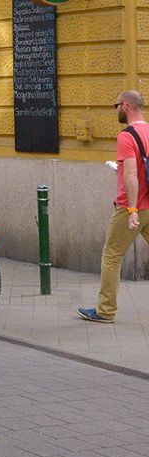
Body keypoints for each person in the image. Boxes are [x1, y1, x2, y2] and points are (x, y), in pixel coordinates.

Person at [81, 90, 149, 322]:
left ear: (127, 106)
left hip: (132, 207)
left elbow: (131, 175)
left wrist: (131, 210)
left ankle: (105, 310)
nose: (116, 109)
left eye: (116, 105)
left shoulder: (126, 136)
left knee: (111, 256)